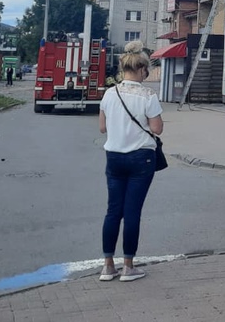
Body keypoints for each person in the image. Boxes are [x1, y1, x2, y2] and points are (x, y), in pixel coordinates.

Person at [98, 41, 163, 283]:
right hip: (140, 158)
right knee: (132, 211)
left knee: (113, 210)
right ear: (142, 69)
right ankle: (128, 266)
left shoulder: (109, 93)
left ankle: (107, 266)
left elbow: (103, 127)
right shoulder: (148, 95)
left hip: (113, 157)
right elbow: (157, 128)